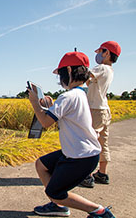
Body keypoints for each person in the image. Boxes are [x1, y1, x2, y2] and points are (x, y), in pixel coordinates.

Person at [28, 51, 115, 217]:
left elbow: (46, 122)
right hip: (81, 152)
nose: (60, 81)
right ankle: (56, 205)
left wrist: (34, 103)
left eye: (60, 75)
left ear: (68, 71)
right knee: (41, 165)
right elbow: (61, 116)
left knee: (55, 192)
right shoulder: (81, 94)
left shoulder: (68, 96)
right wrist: (49, 106)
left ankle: (100, 211)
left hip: (80, 157)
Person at [80, 41, 121, 188]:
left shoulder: (101, 67)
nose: (98, 54)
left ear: (107, 53)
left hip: (95, 110)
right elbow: (91, 81)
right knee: (103, 142)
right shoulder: (109, 70)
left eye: (100, 51)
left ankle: (87, 175)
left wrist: (77, 66)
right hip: (104, 109)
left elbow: (86, 75)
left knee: (91, 140)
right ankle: (102, 174)